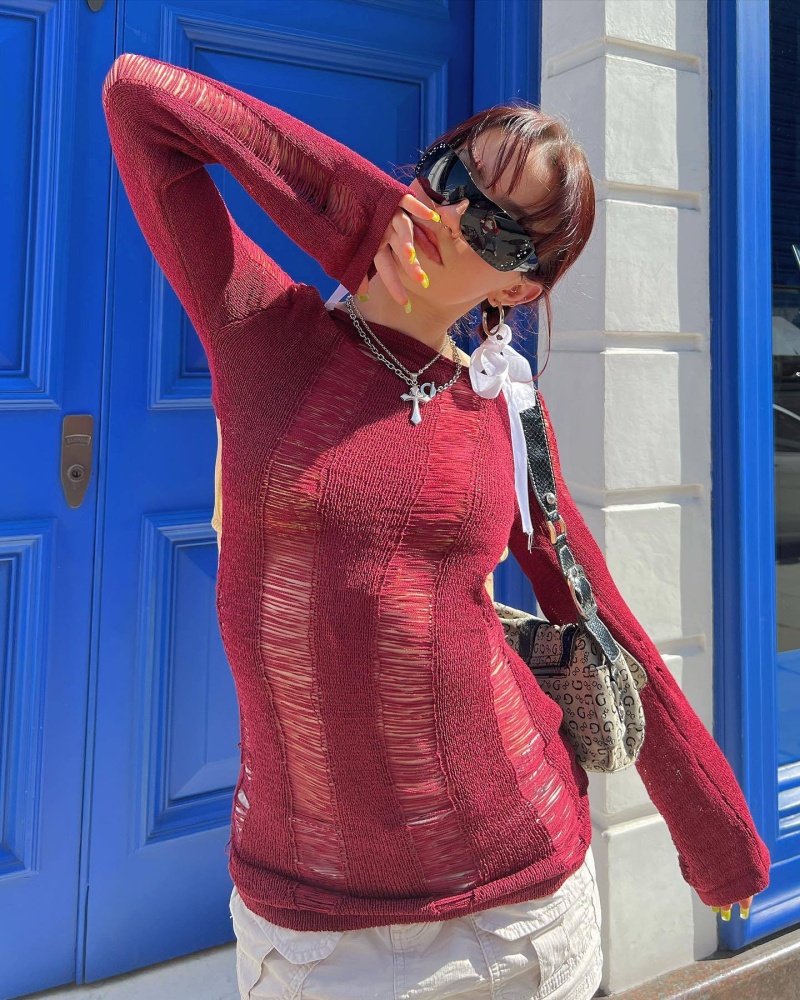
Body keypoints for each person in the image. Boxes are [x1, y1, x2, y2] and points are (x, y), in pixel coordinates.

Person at [102, 53, 769, 1000]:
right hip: (309, 931)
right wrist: (362, 219)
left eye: (499, 227)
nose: (455, 217)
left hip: (521, 913)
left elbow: (595, 608)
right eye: (454, 179)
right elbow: (139, 101)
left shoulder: (505, 410)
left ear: (520, 288)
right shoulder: (263, 332)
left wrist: (718, 835)